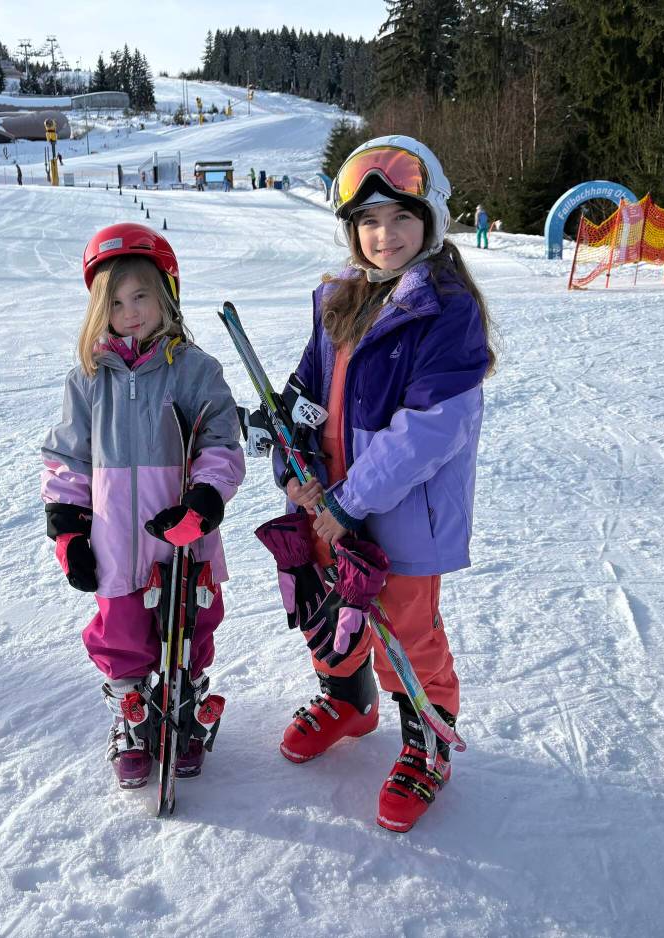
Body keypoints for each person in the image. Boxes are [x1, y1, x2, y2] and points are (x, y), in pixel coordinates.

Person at [260, 135, 496, 832]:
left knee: (405, 625)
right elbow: (304, 392)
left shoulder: (446, 309)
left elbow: (430, 429)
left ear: (431, 218)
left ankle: (425, 742)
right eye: (368, 222)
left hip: (395, 512)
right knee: (325, 609)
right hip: (326, 503)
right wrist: (292, 458)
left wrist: (348, 500)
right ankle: (347, 698)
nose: (384, 235)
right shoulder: (338, 299)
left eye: (400, 217)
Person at [41, 223, 245, 790]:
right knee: (123, 630)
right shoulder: (86, 381)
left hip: (185, 536)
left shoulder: (195, 370)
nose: (131, 312)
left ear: (168, 296)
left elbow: (222, 443)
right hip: (115, 543)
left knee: (192, 622)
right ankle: (132, 713)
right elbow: (67, 460)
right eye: (117, 301)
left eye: (143, 297)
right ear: (98, 309)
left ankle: (185, 703)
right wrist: (68, 530)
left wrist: (204, 501)